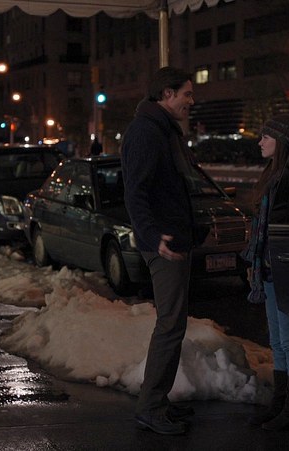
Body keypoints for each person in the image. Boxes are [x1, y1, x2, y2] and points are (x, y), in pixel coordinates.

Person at [120, 66, 198, 436]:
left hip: (173, 239)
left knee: (174, 324)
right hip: (163, 244)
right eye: (186, 93)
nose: (191, 101)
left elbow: (171, 188)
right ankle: (150, 407)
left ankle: (158, 401)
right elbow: (135, 191)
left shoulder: (164, 130)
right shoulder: (146, 132)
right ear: (166, 94)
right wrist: (153, 237)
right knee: (169, 326)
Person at [241, 114, 289, 431]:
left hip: (285, 268)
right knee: (278, 341)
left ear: (280, 142)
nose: (260, 142)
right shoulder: (273, 174)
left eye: (265, 137)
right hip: (269, 267)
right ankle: (280, 404)